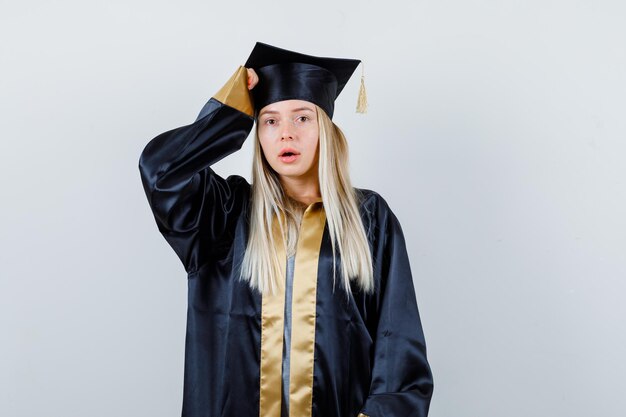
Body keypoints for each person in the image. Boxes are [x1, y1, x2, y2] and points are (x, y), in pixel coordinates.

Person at [138, 41, 433, 417]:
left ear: (326, 128)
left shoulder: (368, 217)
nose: (286, 133)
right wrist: (229, 113)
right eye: (270, 120)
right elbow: (161, 170)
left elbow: (398, 343)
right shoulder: (224, 214)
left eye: (303, 117)